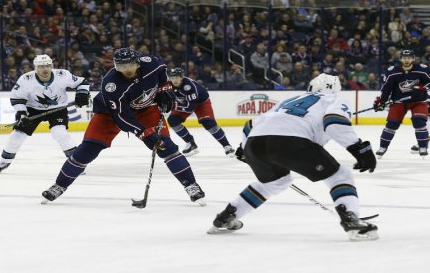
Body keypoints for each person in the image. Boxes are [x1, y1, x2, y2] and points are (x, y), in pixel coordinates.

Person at [207, 73, 379, 241]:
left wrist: (243, 148)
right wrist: (359, 149)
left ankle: (227, 216)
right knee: (340, 176)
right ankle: (351, 218)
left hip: (255, 143)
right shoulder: (334, 99)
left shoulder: (289, 100)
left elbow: (250, 124)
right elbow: (334, 123)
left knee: (274, 183)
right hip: (291, 141)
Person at [40, 48, 206, 205]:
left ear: (137, 62)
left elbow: (162, 72)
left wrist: (164, 92)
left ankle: (191, 185)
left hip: (146, 109)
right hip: (110, 115)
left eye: (130, 65)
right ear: (115, 66)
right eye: (121, 66)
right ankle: (59, 185)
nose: (126, 69)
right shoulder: (111, 84)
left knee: (166, 146)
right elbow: (122, 116)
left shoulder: (151, 63)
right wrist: (144, 134)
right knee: (87, 150)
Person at [0, 54, 90, 173]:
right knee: (17, 135)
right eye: (41, 66)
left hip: (57, 109)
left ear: (51, 66)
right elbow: (17, 98)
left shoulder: (62, 75)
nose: (45, 69)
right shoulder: (26, 79)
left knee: (60, 133)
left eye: (48, 66)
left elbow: (82, 82)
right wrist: (22, 112)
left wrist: (82, 94)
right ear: (36, 68)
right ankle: (4, 161)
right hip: (33, 109)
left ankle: (76, 164)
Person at [373, 49, 430, 158]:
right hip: (399, 102)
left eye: (409, 58)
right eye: (404, 58)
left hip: (419, 101)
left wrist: (423, 88)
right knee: (391, 124)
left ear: (413, 59)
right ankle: (383, 147)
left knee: (419, 123)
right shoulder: (393, 71)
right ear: (400, 59)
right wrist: (381, 101)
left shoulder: (422, 70)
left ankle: (423, 146)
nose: (406, 60)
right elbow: (386, 89)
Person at [167, 67, 235, 157]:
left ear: (182, 77)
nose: (174, 80)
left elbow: (189, 108)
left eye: (176, 77)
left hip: (201, 103)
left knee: (209, 124)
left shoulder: (189, 86)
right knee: (173, 120)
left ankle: (227, 146)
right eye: (172, 78)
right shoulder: (168, 84)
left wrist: (172, 106)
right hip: (185, 102)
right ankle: (191, 143)